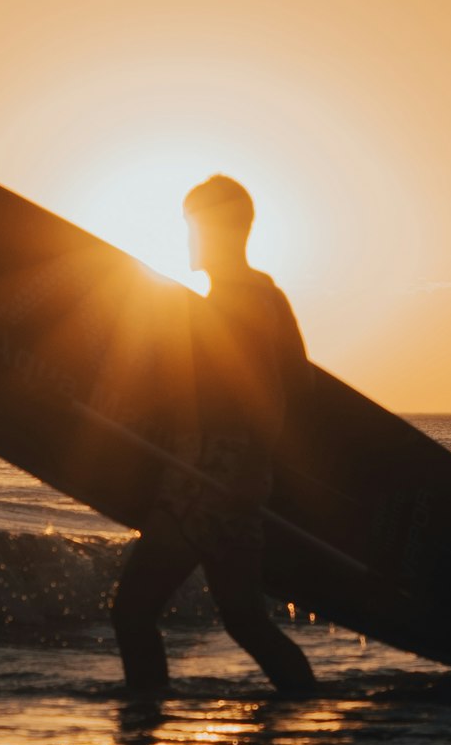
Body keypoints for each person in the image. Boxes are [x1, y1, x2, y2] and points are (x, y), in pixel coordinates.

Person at [112, 176, 318, 703]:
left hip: (207, 478)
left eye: (194, 228)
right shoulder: (266, 295)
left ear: (222, 231)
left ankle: (144, 727)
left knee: (134, 610)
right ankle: (304, 707)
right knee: (244, 620)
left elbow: (250, 390)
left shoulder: (235, 303)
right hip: (233, 476)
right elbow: (302, 384)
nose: (189, 240)